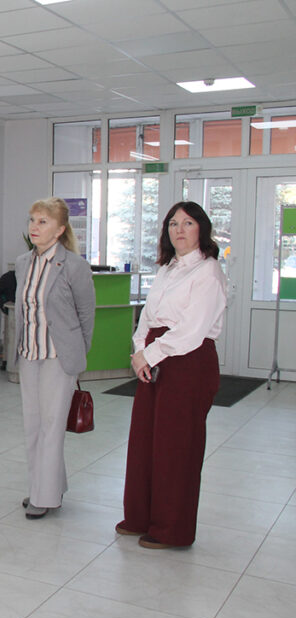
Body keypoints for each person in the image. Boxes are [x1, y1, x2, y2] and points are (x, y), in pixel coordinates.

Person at [117, 201, 226, 549]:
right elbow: (147, 318)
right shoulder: (167, 268)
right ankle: (140, 517)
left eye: (188, 223)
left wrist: (148, 354)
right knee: (145, 442)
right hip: (155, 357)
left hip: (188, 363)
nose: (179, 229)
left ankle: (170, 529)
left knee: (176, 448)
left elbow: (192, 331)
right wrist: (139, 352)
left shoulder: (208, 272)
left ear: (202, 229)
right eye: (173, 223)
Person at [14, 197, 95, 519]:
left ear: (60, 230)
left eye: (43, 222)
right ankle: (46, 486)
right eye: (32, 220)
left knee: (51, 426)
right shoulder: (23, 262)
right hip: (29, 354)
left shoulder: (74, 266)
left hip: (58, 357)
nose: (34, 227)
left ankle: (44, 497)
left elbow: (86, 314)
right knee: (33, 425)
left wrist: (77, 354)